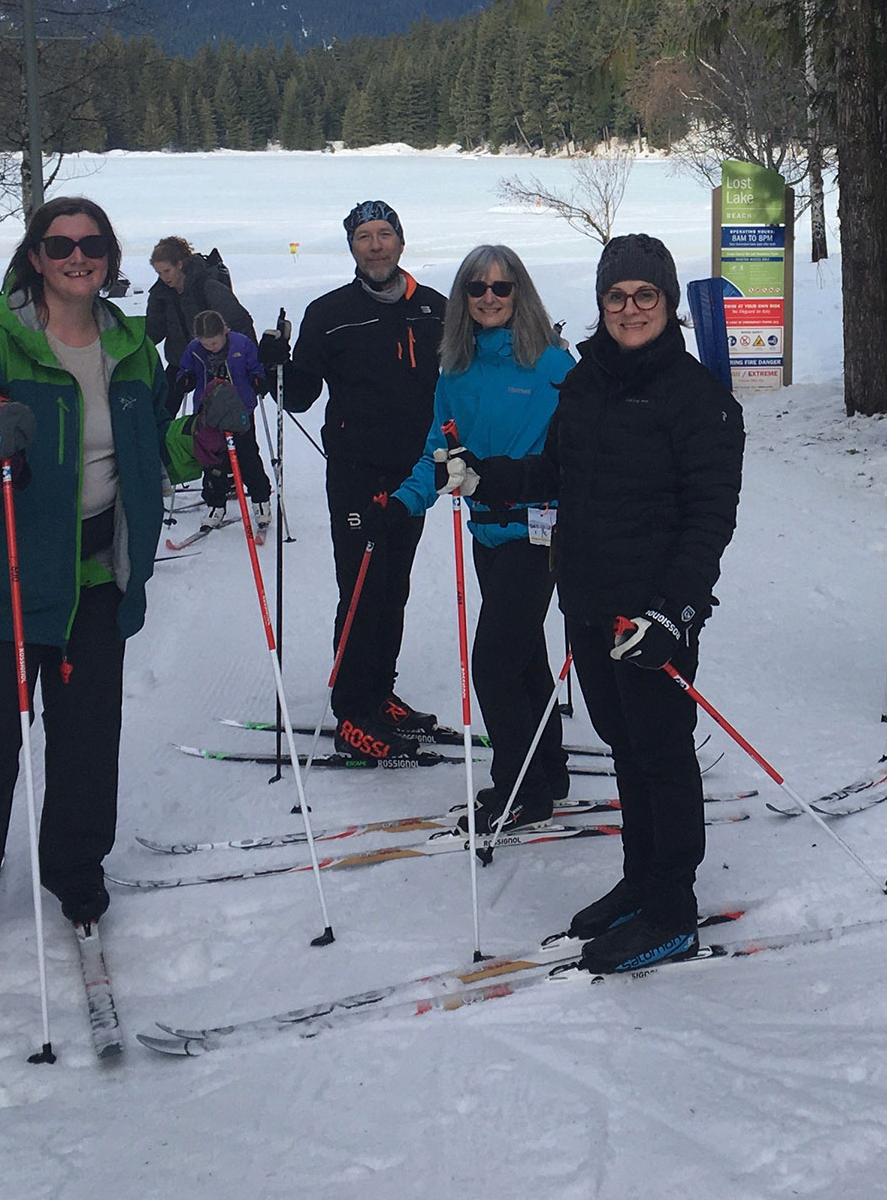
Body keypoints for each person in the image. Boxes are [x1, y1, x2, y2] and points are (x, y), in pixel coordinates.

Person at [0, 196, 209, 954]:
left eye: (93, 243)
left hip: (96, 576)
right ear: (35, 256)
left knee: (85, 738)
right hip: (0, 580)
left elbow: (142, 457)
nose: (78, 255)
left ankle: (76, 869)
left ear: (110, 257)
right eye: (60, 243)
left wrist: (199, 441)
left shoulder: (130, 347)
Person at [447, 233, 743, 974]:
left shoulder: (698, 398)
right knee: (623, 746)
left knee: (663, 752)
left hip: (650, 614)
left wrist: (674, 612)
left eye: (647, 295)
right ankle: (641, 881)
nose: (631, 308)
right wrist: (487, 477)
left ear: (669, 304)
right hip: (587, 602)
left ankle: (672, 906)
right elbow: (558, 469)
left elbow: (711, 517)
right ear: (602, 302)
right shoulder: (584, 382)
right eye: (618, 295)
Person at [353, 244, 576, 833]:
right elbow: (439, 451)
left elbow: (583, 449)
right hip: (487, 533)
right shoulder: (454, 370)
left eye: (502, 288)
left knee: (494, 665)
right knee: (525, 658)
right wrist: (400, 505)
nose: (489, 299)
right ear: (464, 298)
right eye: (477, 289)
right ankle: (548, 768)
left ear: (519, 293)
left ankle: (520, 789)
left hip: (540, 532)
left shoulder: (553, 366)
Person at [275, 200, 451, 760]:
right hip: (355, 472)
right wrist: (276, 363)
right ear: (351, 247)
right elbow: (299, 395)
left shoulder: (435, 309)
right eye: (363, 237)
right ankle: (353, 710)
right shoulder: (329, 312)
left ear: (401, 241)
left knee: (393, 585)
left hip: (416, 472)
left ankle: (380, 692)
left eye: (384, 234)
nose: (375, 246)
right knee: (360, 587)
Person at [170, 308, 274, 540]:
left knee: (247, 456)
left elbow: (255, 367)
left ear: (224, 331)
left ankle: (261, 501)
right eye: (206, 343)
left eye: (215, 343)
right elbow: (185, 369)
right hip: (209, 415)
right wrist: (185, 379)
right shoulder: (195, 350)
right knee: (213, 460)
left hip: (240, 411)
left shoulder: (241, 344)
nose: (211, 347)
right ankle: (216, 504)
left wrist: (258, 379)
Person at [146, 237, 252, 373]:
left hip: (217, 362)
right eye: (159, 273)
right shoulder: (160, 294)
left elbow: (239, 322)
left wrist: (250, 363)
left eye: (167, 271)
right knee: (167, 393)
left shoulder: (208, 287)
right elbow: (154, 330)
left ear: (179, 264)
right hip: (181, 362)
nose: (164, 277)